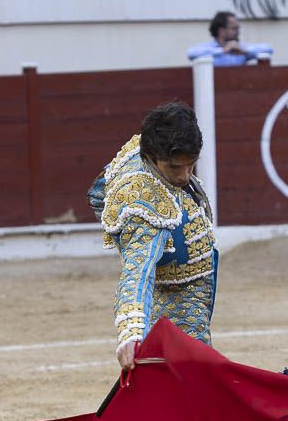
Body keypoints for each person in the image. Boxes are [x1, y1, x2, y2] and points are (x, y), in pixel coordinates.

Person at [87, 102, 217, 371]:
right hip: (177, 299)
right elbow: (137, 273)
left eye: (191, 166)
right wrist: (131, 333)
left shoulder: (144, 146)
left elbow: (98, 192)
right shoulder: (143, 206)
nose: (184, 175)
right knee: (194, 377)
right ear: (152, 156)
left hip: (184, 287)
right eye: (173, 168)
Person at [186, 11, 274, 66]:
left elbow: (269, 49)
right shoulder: (210, 49)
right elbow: (191, 53)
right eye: (234, 28)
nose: (238, 32)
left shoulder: (239, 48)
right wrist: (222, 51)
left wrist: (245, 51)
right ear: (221, 31)